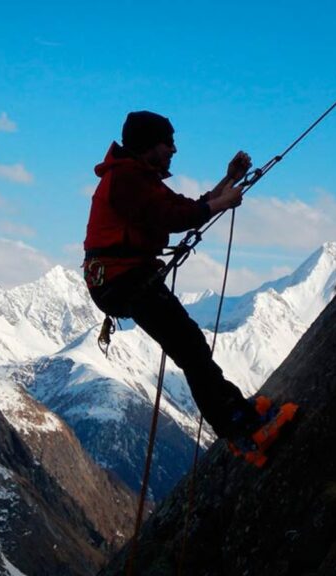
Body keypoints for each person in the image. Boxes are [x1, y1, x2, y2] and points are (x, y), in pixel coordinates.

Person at [82, 110, 261, 440]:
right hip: (123, 280)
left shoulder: (137, 177)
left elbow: (185, 207)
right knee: (189, 345)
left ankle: (233, 414)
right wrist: (221, 204)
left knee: (189, 344)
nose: (173, 150)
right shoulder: (127, 179)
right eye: (169, 142)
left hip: (119, 280)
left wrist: (227, 183)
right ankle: (234, 421)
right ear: (150, 144)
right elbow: (171, 217)